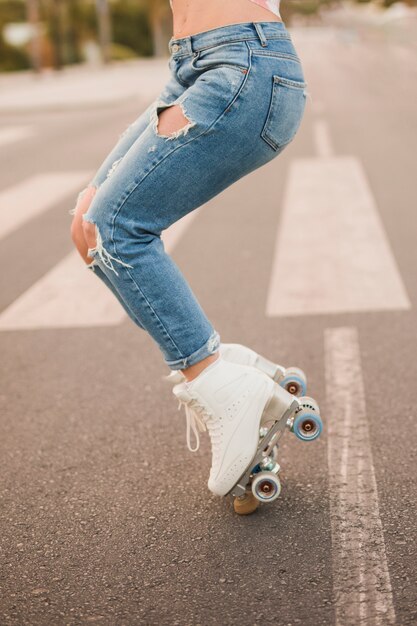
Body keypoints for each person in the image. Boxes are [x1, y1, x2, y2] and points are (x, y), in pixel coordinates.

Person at [70, 0, 308, 500]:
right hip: (190, 65)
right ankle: (224, 367)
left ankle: (216, 380)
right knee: (90, 228)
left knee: (119, 227)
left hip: (244, 63)